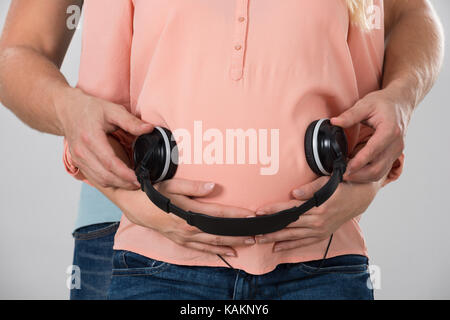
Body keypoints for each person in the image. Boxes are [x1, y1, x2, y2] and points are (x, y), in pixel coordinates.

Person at [0, 0, 443, 299]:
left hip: (317, 246)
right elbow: (19, 52)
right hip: (132, 226)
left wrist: (400, 100)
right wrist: (71, 112)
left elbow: (405, 13)